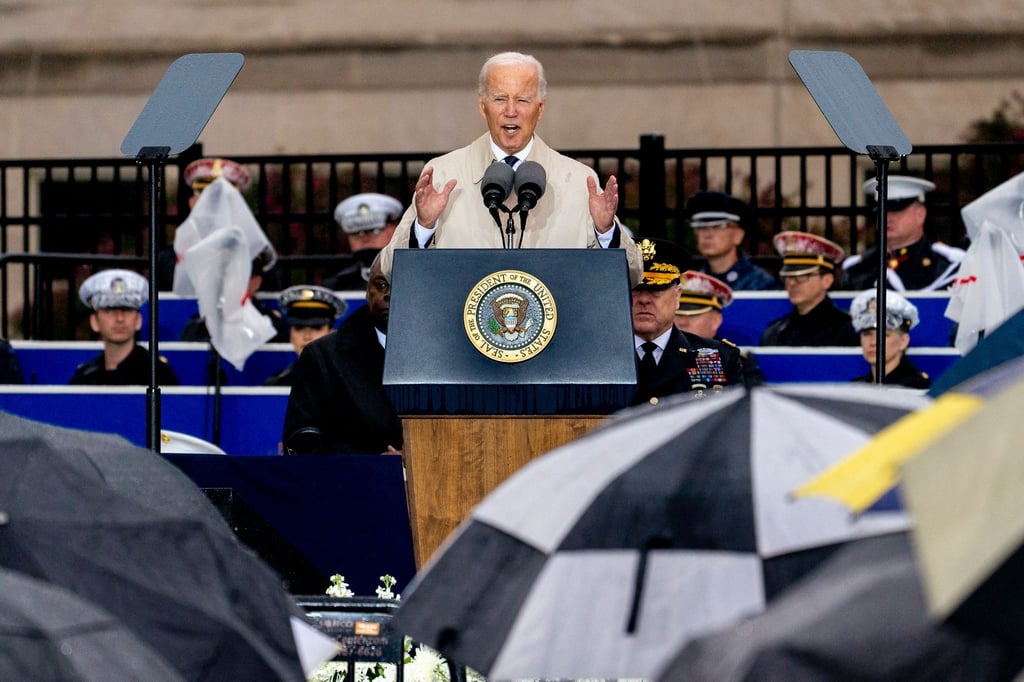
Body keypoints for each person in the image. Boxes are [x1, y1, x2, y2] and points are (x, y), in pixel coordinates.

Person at [378, 51, 642, 285]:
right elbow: (389, 272)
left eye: (523, 101)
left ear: (540, 109)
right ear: (483, 106)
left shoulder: (577, 181)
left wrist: (606, 232)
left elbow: (631, 276)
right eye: (500, 99)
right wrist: (423, 227)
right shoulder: (444, 174)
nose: (511, 111)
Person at [282, 253, 403, 455]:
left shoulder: (440, 355)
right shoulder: (323, 356)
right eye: (381, 284)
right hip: (353, 481)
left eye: (400, 285)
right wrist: (370, 462)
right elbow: (301, 438)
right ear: (367, 291)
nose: (388, 294)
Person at [631, 238, 744, 406]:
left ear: (677, 296)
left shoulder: (717, 357)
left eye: (657, 290)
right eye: (635, 289)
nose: (644, 300)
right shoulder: (599, 357)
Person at [841, 175, 965, 291]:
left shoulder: (947, 266)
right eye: (882, 211)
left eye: (897, 211)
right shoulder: (857, 268)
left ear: (920, 215)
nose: (887, 218)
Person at [158, 157, 252, 291]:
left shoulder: (252, 254)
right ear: (192, 203)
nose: (214, 207)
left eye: (222, 199)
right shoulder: (169, 258)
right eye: (205, 199)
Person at [70, 269, 179, 386]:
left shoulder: (157, 375)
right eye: (109, 311)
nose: (120, 318)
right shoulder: (85, 378)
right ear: (94, 322)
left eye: (127, 310)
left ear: (138, 320)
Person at [760, 231, 858, 347]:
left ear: (827, 281)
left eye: (802, 276)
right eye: (788, 276)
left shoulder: (848, 331)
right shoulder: (774, 333)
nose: (791, 283)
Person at [675, 270, 765, 387]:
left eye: (693, 315)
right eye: (676, 314)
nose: (682, 322)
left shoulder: (732, 361)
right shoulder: (654, 355)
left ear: (715, 321)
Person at [686, 190, 780, 290]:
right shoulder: (691, 285)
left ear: (738, 235)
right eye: (701, 227)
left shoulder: (760, 285)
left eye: (718, 226)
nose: (707, 234)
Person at [264, 285, 345, 387]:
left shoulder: (350, 384)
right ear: (291, 335)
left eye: (316, 328)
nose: (307, 336)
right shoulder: (276, 384)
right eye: (299, 328)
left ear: (331, 333)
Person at [848, 289, 931, 388]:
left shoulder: (916, 387)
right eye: (867, 334)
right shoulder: (856, 386)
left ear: (903, 341)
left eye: (884, 335)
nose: (873, 342)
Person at [323, 192, 404, 291]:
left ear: (395, 229)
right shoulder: (339, 283)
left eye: (375, 231)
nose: (365, 238)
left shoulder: (410, 276)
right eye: (358, 233)